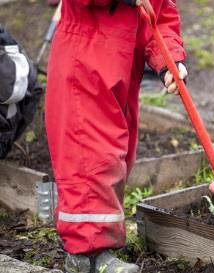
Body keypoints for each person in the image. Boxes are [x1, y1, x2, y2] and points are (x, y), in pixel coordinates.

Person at [45, 0, 187, 272]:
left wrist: (170, 60)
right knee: (89, 157)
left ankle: (101, 242)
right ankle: (86, 255)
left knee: (116, 156)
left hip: (122, 69)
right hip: (83, 61)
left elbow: (159, 15)